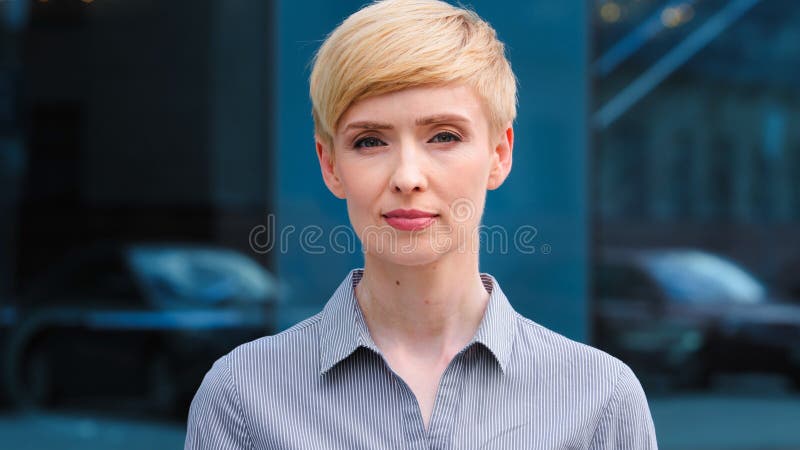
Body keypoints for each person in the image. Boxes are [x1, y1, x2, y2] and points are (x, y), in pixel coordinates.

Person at [184, 0, 658, 448]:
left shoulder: (601, 400)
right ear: (330, 166)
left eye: (444, 136)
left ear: (499, 154)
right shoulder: (242, 398)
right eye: (370, 141)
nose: (408, 177)